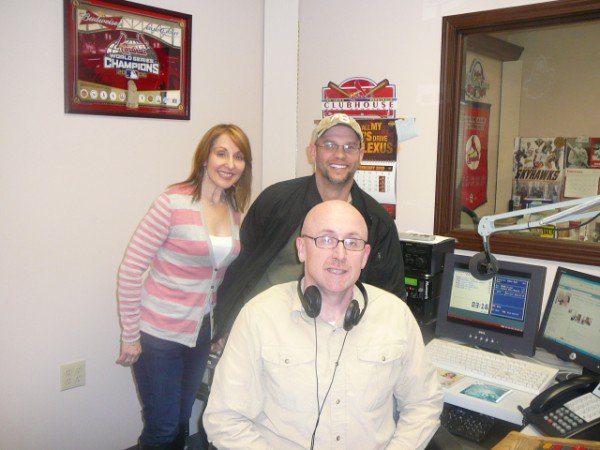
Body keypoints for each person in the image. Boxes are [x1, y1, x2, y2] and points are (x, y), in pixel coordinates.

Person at [203, 200, 443, 449]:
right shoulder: (259, 316)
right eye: (326, 240)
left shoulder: (395, 316)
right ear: (301, 249)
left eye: (352, 243)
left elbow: (423, 403)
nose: (340, 255)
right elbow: (224, 419)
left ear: (365, 256)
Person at [116, 124, 253, 450]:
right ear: (205, 158)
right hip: (159, 334)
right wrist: (130, 335)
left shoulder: (233, 210)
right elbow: (130, 270)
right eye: (221, 153)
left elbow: (217, 279)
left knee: (181, 418)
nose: (229, 164)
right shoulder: (172, 203)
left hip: (200, 333)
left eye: (238, 157)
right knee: (162, 428)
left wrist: (218, 327)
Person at [213, 113, 406, 341]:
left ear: (360, 156)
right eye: (330, 145)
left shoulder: (377, 222)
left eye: (350, 147)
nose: (340, 154)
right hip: (266, 331)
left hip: (336, 339)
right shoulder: (276, 201)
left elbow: (389, 296)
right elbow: (240, 268)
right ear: (313, 152)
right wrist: (226, 327)